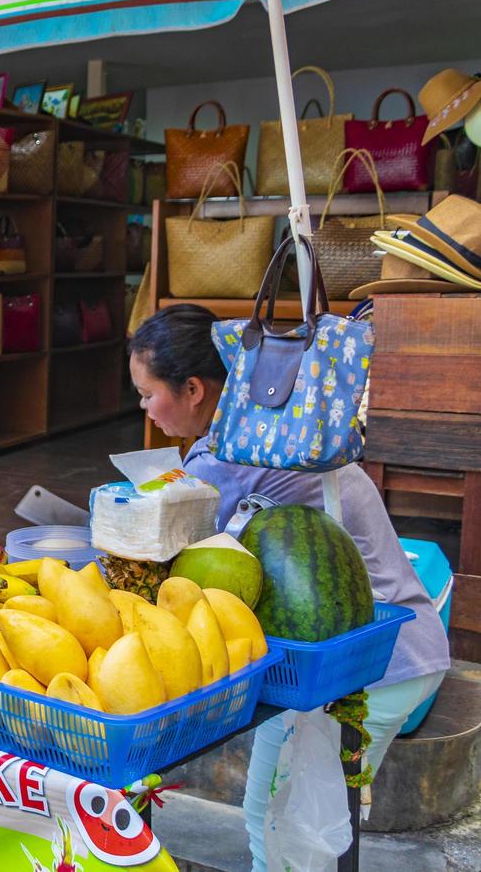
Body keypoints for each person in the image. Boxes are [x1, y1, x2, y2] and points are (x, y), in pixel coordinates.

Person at [129, 303, 450, 872]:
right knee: (278, 818)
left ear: (195, 388)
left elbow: (172, 565)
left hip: (374, 664)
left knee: (288, 828)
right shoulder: (276, 428)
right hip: (383, 649)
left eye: (147, 394)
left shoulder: (228, 459)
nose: (145, 410)